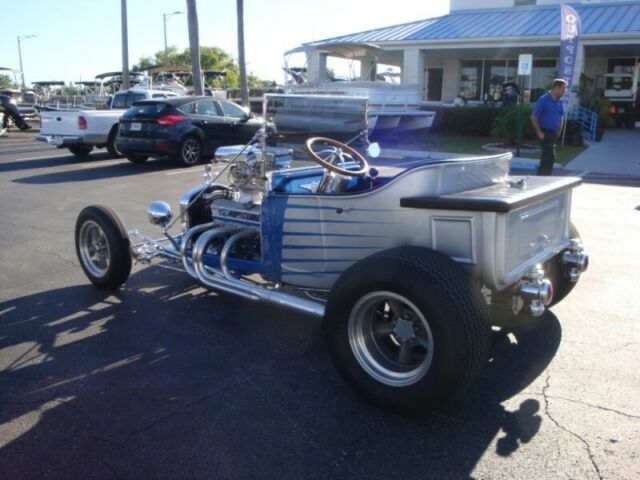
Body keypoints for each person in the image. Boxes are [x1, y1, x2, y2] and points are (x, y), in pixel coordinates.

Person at [530, 79, 568, 176]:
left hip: (553, 132)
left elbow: (561, 117)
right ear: (556, 88)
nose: (565, 92)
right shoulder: (543, 99)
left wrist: (559, 130)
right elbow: (534, 116)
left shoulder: (559, 102)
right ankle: (544, 178)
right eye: (563, 89)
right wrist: (539, 132)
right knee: (550, 156)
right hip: (544, 131)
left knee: (547, 157)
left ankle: (540, 178)